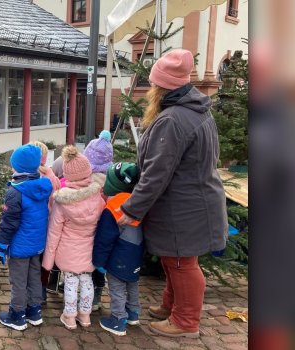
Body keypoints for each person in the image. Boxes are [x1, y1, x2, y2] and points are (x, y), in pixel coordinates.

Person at [116, 49, 227, 338]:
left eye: (153, 83)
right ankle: (171, 306)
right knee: (175, 260)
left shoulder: (173, 119)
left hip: (184, 208)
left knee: (182, 263)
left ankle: (185, 321)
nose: (151, 88)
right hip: (192, 201)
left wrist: (131, 209)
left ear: (162, 86)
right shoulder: (196, 111)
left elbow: (156, 173)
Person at [41, 146, 105, 330]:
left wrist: (48, 262)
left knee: (70, 281)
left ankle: (69, 316)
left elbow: (54, 233)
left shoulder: (62, 202)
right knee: (86, 280)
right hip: (89, 248)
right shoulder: (97, 198)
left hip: (67, 251)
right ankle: (85, 315)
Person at [0, 144, 53, 331]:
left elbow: (9, 223)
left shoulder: (15, 192)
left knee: (18, 280)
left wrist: (1, 244)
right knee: (34, 276)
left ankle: (17, 315)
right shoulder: (42, 186)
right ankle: (34, 311)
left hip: (20, 246)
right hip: (36, 244)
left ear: (18, 167)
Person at [94, 162, 144, 336]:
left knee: (117, 287)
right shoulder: (139, 203)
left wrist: (99, 261)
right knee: (132, 283)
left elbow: (105, 239)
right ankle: (133, 313)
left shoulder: (112, 207)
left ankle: (118, 319)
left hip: (118, 255)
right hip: (136, 252)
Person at [83, 129, 113, 309]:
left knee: (89, 259)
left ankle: (92, 291)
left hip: (89, 226)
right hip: (104, 227)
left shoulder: (87, 178)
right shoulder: (112, 177)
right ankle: (97, 292)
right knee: (99, 260)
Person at [29, 141, 61, 304]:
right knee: (45, 259)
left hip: (32, 225)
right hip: (49, 224)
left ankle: (30, 291)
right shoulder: (52, 177)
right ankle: (41, 292)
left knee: (32, 260)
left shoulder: (27, 176)